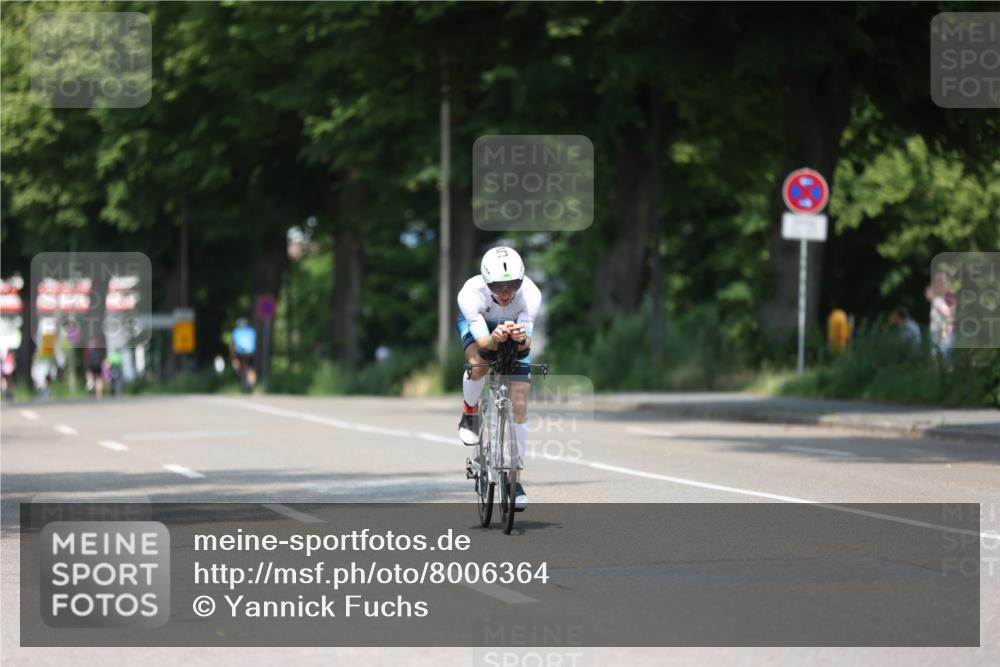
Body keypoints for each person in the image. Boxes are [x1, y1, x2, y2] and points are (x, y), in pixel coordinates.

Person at [456, 246, 542, 511]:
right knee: (479, 365)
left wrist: (518, 338)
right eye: (497, 287)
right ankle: (470, 412)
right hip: (482, 327)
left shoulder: (530, 294)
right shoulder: (470, 294)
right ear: (486, 282)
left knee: (519, 404)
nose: (505, 294)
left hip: (513, 329)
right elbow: (484, 345)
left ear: (521, 281)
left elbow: (526, 347)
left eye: (512, 286)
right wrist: (496, 337)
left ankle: (515, 481)